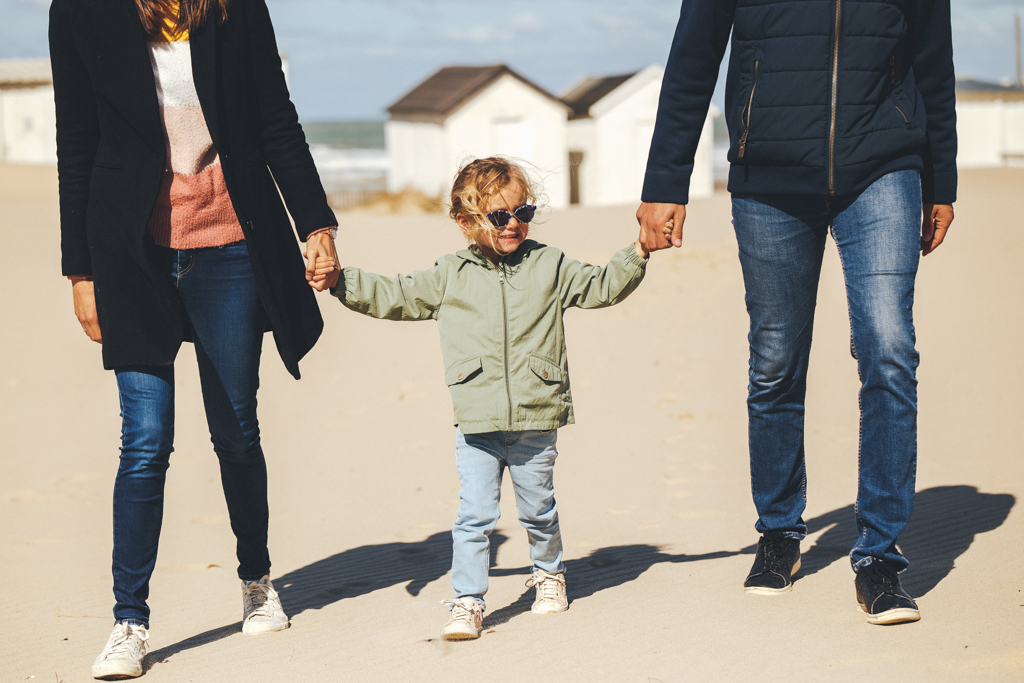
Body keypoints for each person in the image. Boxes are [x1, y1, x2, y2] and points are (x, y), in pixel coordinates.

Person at [636, 0, 956, 625]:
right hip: (769, 177)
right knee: (776, 359)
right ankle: (780, 531)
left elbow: (932, 63)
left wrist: (940, 181)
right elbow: (693, 58)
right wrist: (666, 180)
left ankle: (879, 555)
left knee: (889, 349)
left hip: (884, 168)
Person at [49, 0, 340, 677]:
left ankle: (257, 579)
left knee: (236, 427)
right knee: (145, 440)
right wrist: (81, 271)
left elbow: (274, 118)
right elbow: (77, 141)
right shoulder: (81, 11)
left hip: (231, 244)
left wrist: (315, 222)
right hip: (131, 251)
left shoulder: (234, 7)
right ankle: (130, 620)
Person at [315, 157, 651, 640]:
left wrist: (638, 250)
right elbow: (394, 295)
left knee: (538, 509)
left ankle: (549, 572)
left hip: (537, 414)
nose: (513, 223)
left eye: (523, 211)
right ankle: (468, 600)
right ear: (465, 220)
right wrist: (341, 282)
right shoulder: (449, 275)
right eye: (498, 216)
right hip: (476, 419)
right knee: (474, 516)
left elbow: (602, 286)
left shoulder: (549, 264)